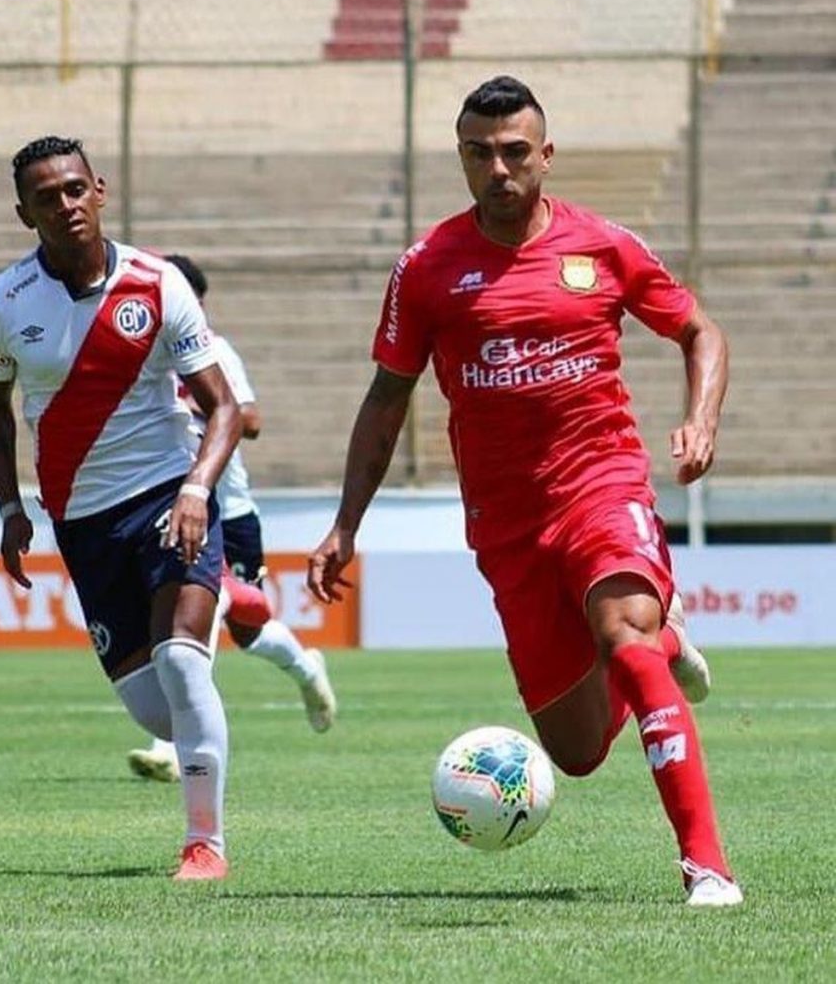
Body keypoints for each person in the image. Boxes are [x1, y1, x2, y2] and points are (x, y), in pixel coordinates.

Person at [307, 76, 742, 907]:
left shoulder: (602, 246)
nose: (499, 169)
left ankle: (707, 866)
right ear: (462, 158)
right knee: (576, 750)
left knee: (623, 632)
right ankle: (659, 645)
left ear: (546, 154)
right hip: (505, 521)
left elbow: (698, 329)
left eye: (515, 152)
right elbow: (386, 396)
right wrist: (344, 524)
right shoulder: (428, 269)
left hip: (602, 482)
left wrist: (701, 419)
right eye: (480, 153)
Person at [0, 136, 240, 881]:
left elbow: (221, 409)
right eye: (46, 197)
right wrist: (8, 508)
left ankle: (204, 844)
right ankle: (227, 646)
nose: (65, 205)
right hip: (84, 523)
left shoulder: (159, 285)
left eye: (74, 189)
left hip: (168, 498)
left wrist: (196, 489)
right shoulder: (5, 303)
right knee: (160, 709)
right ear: (24, 212)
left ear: (99, 189)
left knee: (183, 667)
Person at [127, 254, 337, 784]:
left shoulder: (213, 351)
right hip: (171, 509)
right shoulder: (143, 357)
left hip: (230, 512)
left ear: (194, 301)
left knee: (237, 628)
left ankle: (305, 671)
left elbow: (251, 419)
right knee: (193, 615)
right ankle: (176, 738)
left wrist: (194, 412)